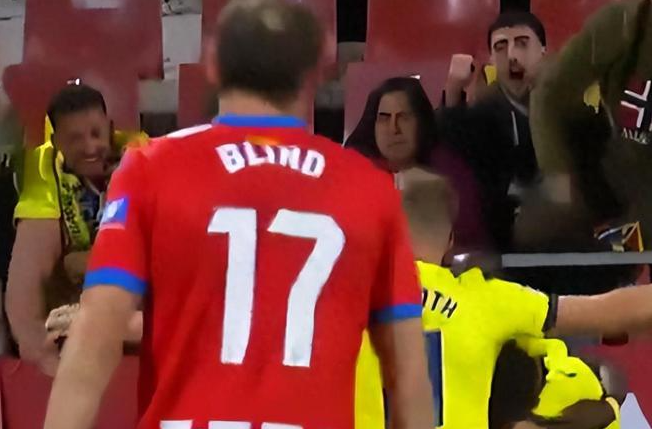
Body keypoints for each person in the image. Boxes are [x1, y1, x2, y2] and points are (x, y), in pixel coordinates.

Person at [44, 1, 434, 429]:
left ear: (213, 67)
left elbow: (96, 338)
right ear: (313, 74)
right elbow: (410, 382)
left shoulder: (153, 168)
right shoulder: (369, 188)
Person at [355, 169, 624, 429]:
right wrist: (611, 403)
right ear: (450, 241)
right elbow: (600, 327)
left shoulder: (348, 295)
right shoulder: (490, 298)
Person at [5, 84, 147, 375]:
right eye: (75, 139)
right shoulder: (44, 173)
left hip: (134, 309)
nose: (90, 147)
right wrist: (38, 347)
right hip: (69, 319)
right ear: (56, 142)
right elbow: (26, 280)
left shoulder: (142, 155)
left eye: (96, 134)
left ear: (110, 128)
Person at [530, 0, 652, 249]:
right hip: (624, 175)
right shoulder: (622, 23)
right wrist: (558, 176)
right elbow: (550, 94)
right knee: (537, 229)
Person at [437, 11, 547, 250]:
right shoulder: (483, 113)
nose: (512, 55)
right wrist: (453, 91)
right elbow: (446, 149)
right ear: (492, 61)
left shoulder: (567, 107)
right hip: (498, 246)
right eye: (501, 47)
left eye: (522, 44)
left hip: (560, 240)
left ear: (543, 51)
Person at [344, 76, 488, 251]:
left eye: (403, 117)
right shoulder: (355, 177)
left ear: (422, 122)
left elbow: (470, 240)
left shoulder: (450, 173)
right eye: (384, 118)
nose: (394, 129)